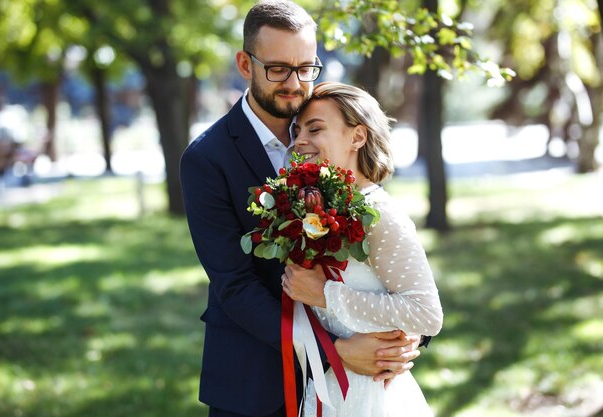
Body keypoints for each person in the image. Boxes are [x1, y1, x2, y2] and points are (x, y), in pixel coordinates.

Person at [180, 1, 424, 416]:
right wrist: (335, 353)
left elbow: (385, 249)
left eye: (306, 68)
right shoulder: (207, 159)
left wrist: (401, 337)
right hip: (255, 381)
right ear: (245, 63)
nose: (294, 83)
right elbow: (235, 286)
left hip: (363, 377)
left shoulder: (337, 132)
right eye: (278, 69)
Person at [282, 81, 444, 417]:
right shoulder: (319, 213)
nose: (299, 141)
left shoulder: (380, 213)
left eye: (315, 128)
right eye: (297, 131)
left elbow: (427, 314)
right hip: (330, 388)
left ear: (357, 136)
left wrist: (326, 294)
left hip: (372, 396)